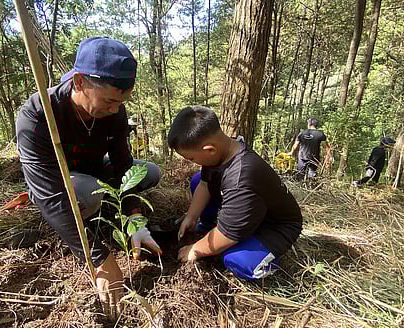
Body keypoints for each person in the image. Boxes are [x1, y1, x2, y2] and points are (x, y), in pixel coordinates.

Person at [16, 37, 162, 318]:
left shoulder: (113, 111)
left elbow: (122, 165)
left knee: (150, 171)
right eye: (109, 100)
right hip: (58, 182)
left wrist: (135, 219)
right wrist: (99, 258)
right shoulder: (38, 114)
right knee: (88, 192)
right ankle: (88, 210)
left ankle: (103, 204)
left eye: (122, 101)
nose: (116, 109)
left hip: (95, 170)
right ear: (80, 81)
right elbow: (48, 194)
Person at [168, 105, 302, 280]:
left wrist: (195, 250)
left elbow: (228, 234)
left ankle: (265, 261)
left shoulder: (241, 178)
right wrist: (191, 216)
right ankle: (208, 226)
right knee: (196, 180)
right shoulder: (222, 150)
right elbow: (204, 184)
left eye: (191, 158)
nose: (191, 162)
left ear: (209, 149)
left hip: (273, 227)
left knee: (236, 260)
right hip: (248, 212)